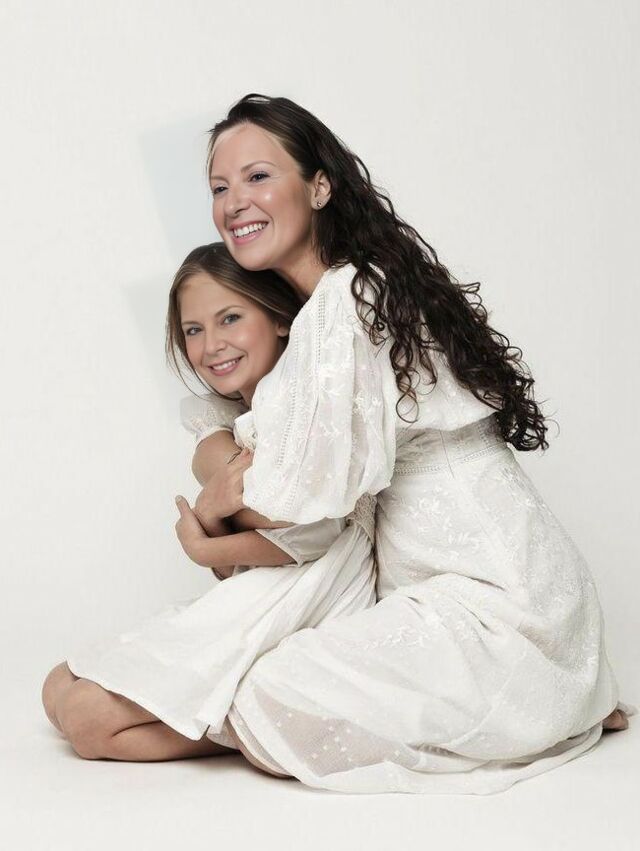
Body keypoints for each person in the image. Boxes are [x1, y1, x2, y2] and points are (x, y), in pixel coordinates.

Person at [184, 93, 635, 793]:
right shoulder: (357, 291)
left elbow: (303, 500)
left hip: (496, 602)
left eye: (258, 176)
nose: (234, 201)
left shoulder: (346, 300)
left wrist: (209, 524)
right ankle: (555, 703)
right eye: (219, 187)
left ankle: (541, 709)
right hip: (513, 589)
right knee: (269, 685)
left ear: (320, 186)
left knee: (265, 691)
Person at [41, 242, 376, 762]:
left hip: (318, 590)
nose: (212, 345)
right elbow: (238, 562)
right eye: (194, 330)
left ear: (280, 319)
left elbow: (314, 533)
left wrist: (206, 532)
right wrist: (213, 514)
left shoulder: (306, 408)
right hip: (266, 586)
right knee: (56, 688)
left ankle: (248, 727)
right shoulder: (231, 421)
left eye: (230, 319)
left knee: (88, 721)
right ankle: (215, 707)